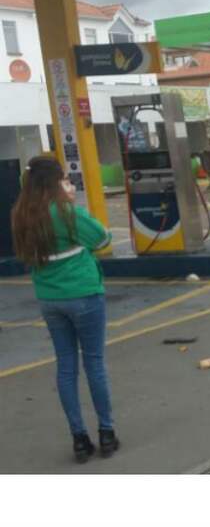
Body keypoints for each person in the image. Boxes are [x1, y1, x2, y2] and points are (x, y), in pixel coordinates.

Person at [11, 156, 119, 464]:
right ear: (56, 181)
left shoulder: (21, 214)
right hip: (84, 294)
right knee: (94, 364)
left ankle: (79, 439)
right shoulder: (66, 211)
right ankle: (107, 433)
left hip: (49, 299)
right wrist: (71, 201)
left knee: (66, 367)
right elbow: (102, 238)